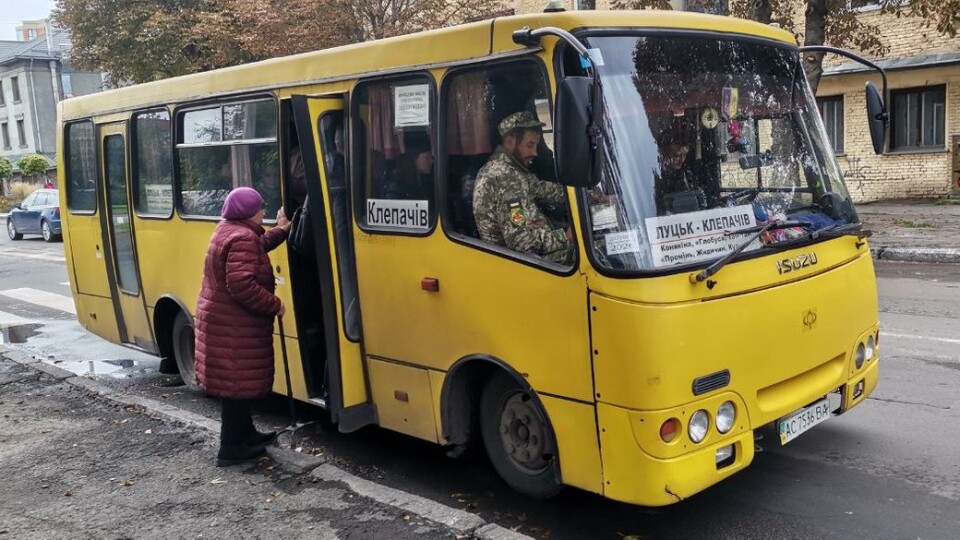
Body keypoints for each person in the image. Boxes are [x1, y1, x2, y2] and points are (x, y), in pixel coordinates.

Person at [194, 187, 292, 467]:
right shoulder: (242, 237)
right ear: (249, 212)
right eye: (260, 208)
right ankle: (232, 449)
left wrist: (282, 231)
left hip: (225, 322)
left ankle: (245, 435)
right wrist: (275, 304)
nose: (263, 212)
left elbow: (254, 248)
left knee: (235, 386)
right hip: (233, 326)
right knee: (236, 385)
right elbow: (242, 284)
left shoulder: (229, 230)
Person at [472, 111, 572, 264]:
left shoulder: (515, 170)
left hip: (531, 254)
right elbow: (521, 243)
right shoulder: (503, 176)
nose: (535, 153)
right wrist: (566, 236)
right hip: (515, 264)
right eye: (529, 145)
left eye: (536, 146)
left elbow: (544, 190)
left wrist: (584, 195)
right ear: (510, 142)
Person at [384, 132, 433, 200]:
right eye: (427, 157)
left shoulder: (426, 185)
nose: (431, 161)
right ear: (414, 158)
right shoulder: (396, 190)